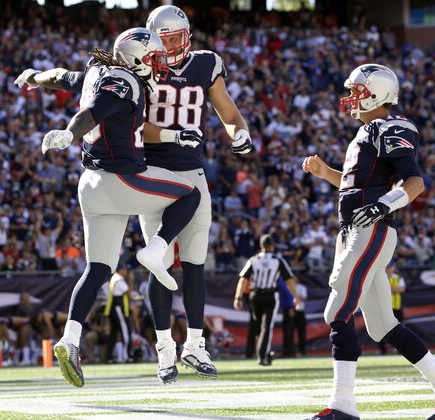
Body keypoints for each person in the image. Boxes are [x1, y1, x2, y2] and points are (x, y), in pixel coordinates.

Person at [14, 27, 202, 388]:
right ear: (135, 57)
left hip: (91, 185)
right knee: (190, 193)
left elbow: (62, 77)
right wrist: (69, 133)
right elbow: (94, 111)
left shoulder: (98, 71)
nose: (157, 63)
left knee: (99, 269)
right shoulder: (124, 81)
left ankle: (70, 339)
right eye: (152, 57)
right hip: (122, 179)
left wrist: (36, 77)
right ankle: (157, 248)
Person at [302, 64, 435, 420]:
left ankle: (343, 405)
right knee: (382, 326)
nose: (350, 98)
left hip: (371, 231)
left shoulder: (389, 127)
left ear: (376, 93)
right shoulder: (366, 133)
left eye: (357, 91)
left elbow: (414, 183)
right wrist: (325, 173)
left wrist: (383, 205)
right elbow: (354, 187)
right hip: (353, 230)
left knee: (337, 311)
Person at [141, 5, 253, 384]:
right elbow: (136, 127)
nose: (170, 45)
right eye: (164, 38)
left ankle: (194, 344)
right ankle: (163, 349)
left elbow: (229, 112)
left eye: (176, 37)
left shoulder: (206, 64)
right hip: (153, 173)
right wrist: (173, 135)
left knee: (194, 262)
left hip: (193, 171)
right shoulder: (140, 63)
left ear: (187, 35)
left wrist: (240, 133)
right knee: (159, 260)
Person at [234, 234, 298, 366]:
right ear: (272, 246)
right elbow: (289, 280)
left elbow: (243, 279)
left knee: (259, 327)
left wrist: (238, 297)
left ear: (261, 246)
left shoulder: (253, 260)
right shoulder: (278, 259)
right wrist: (296, 296)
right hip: (270, 295)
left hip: (255, 295)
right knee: (266, 327)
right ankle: (263, 356)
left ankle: (264, 354)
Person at [103, 264, 131, 364]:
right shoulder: (119, 278)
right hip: (118, 307)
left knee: (113, 334)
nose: (126, 272)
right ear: (120, 270)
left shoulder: (114, 278)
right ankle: (126, 356)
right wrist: (131, 280)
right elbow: (129, 293)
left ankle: (109, 357)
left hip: (112, 308)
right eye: (124, 270)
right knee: (125, 331)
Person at [378, 261, 406, 355]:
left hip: (397, 307)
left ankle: (400, 348)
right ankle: (382, 349)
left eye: (391, 267)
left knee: (399, 328)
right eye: (388, 267)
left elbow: (402, 289)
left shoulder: (397, 277)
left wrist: (388, 289)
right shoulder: (382, 277)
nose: (389, 269)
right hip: (385, 307)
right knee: (382, 329)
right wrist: (394, 289)